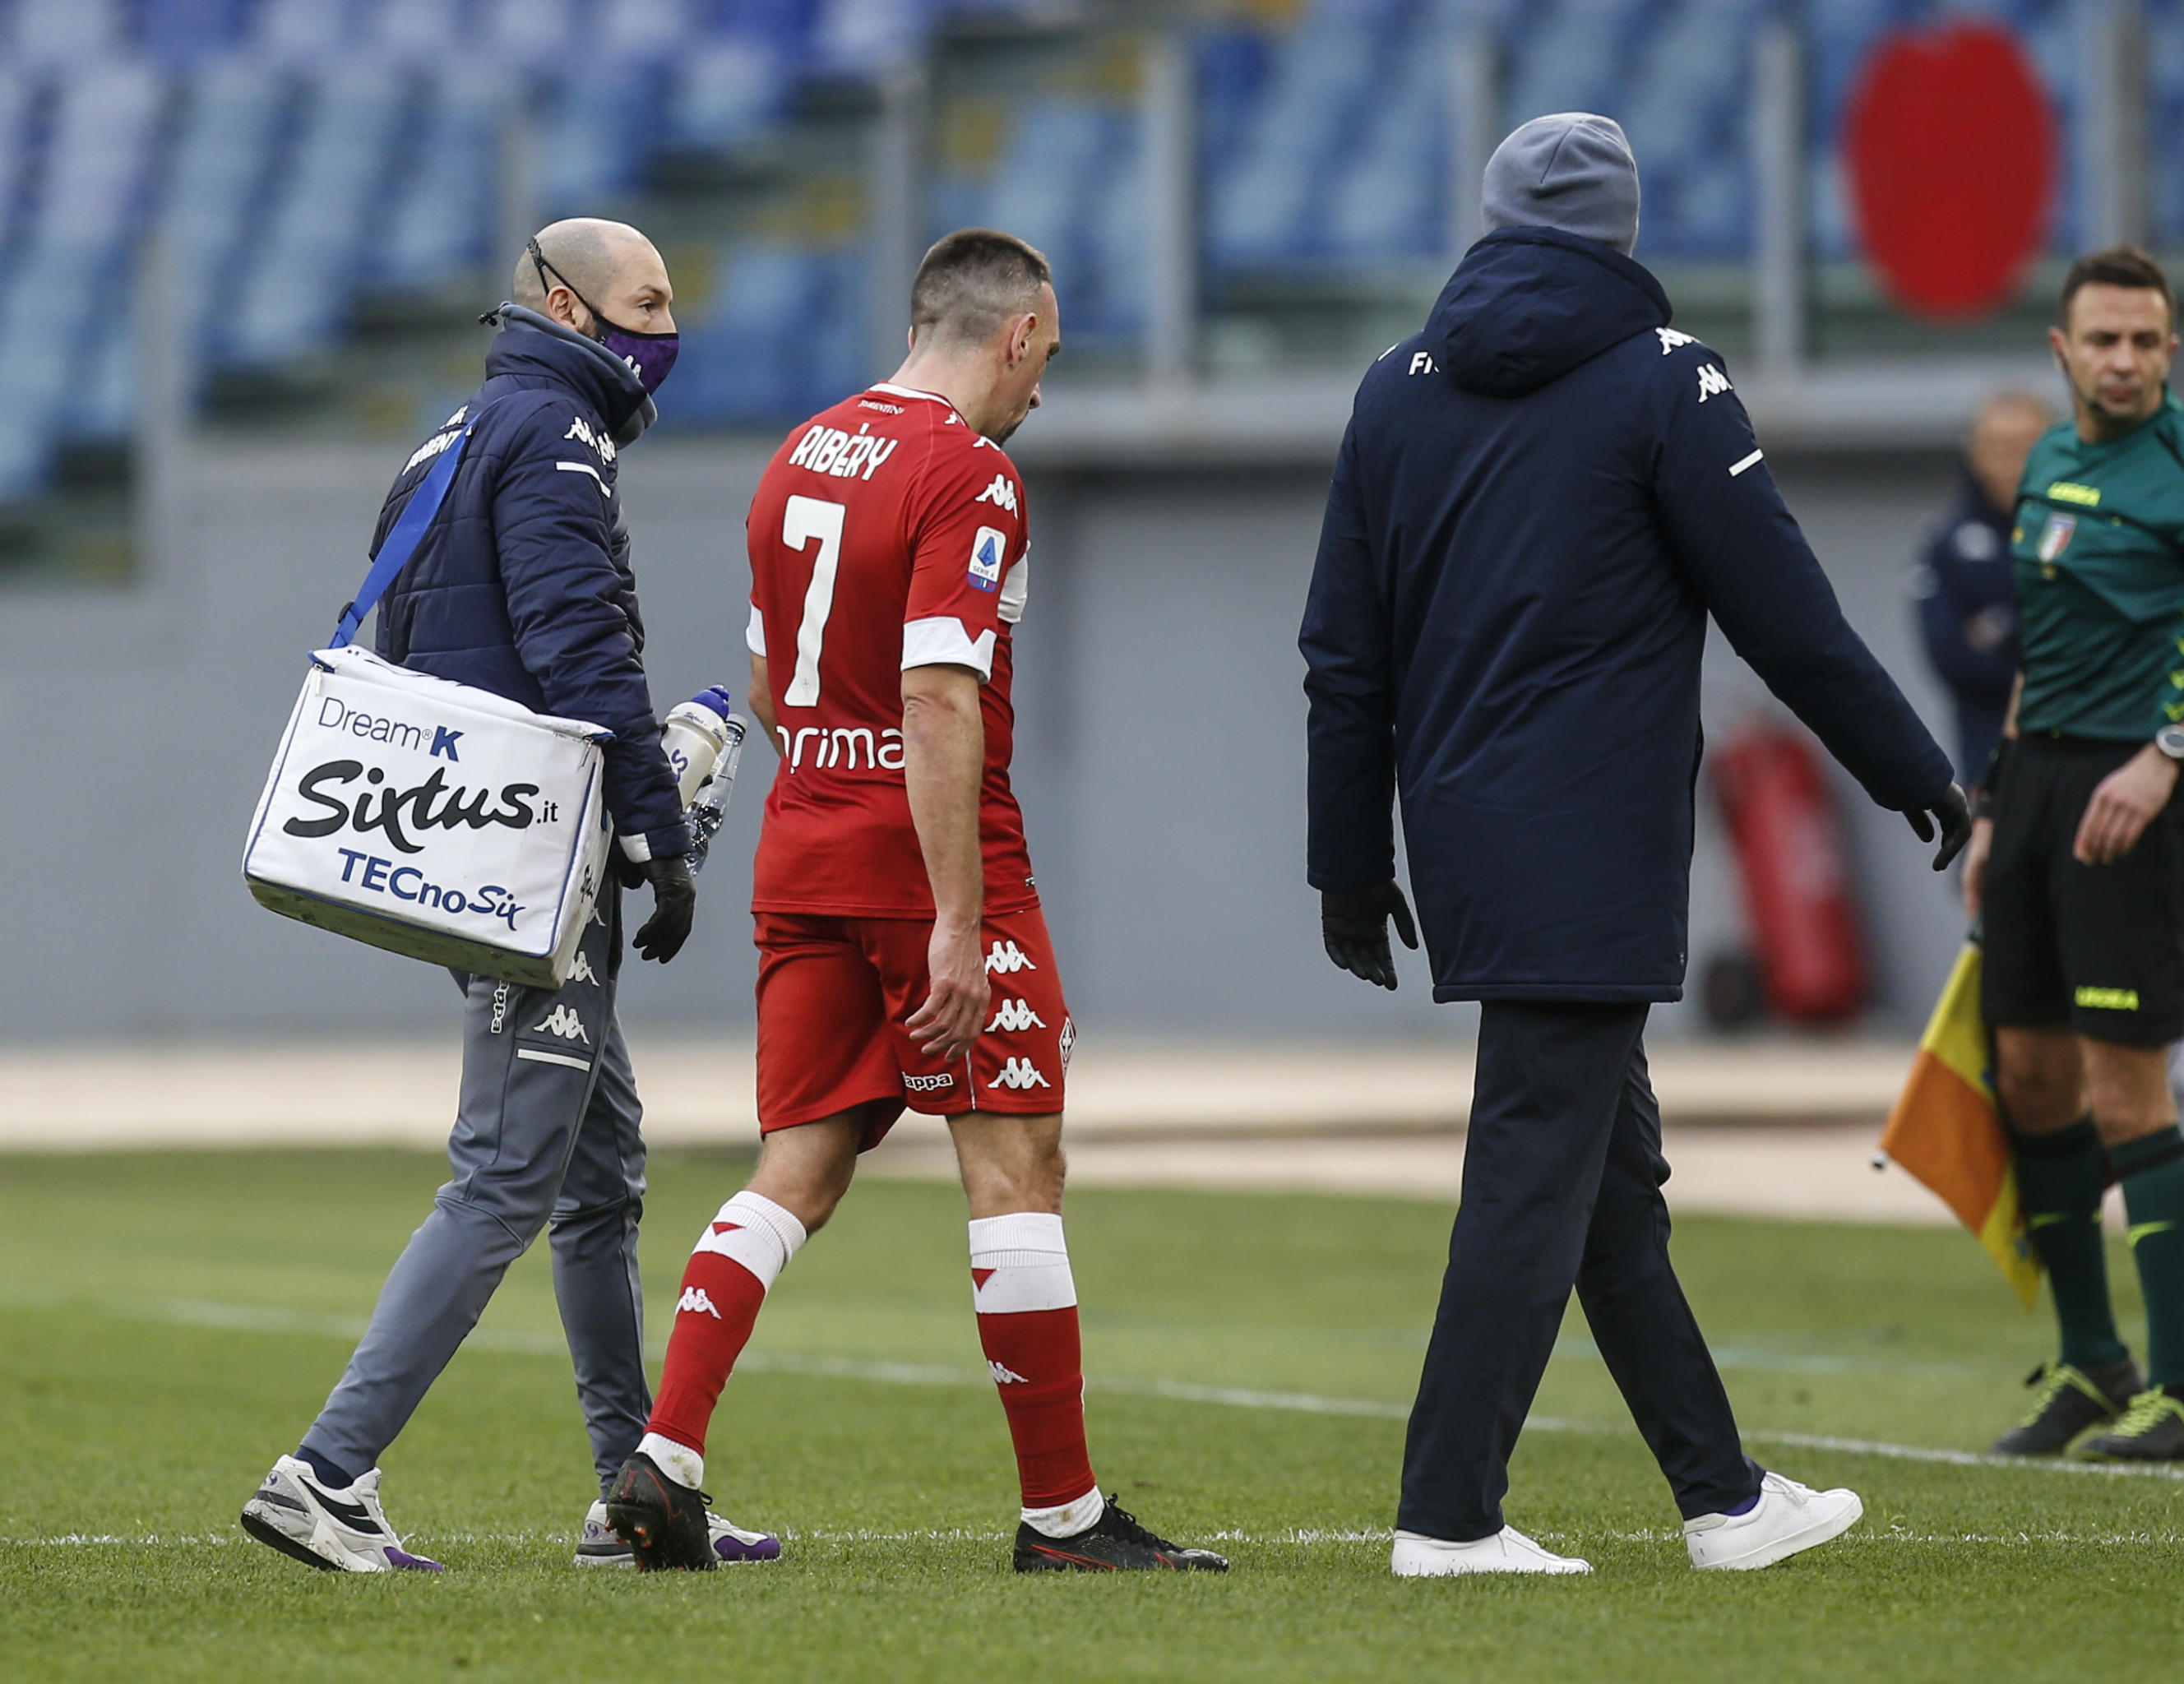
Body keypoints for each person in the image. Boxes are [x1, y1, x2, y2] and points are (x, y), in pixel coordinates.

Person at [1300, 113, 1968, 1579]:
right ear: (1622, 229)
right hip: (1592, 841)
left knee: (1604, 1179)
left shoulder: (1388, 391)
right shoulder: (1666, 379)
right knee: (1536, 1169)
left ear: (1486, 220)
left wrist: (1349, 860)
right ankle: (1448, 1514)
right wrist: (1912, 766)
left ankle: (1722, 1494)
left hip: (1466, 840)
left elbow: (1340, 658)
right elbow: (1781, 607)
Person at [601, 229, 1227, 1575]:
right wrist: (956, 915)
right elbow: (942, 696)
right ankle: (1061, 1516)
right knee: (1013, 1161)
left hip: (803, 846)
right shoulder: (971, 473)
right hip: (934, 860)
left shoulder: (797, 454)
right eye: (1045, 359)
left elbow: (773, 692)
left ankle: (664, 1454)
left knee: (801, 1161)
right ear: (1012, 337)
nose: (1042, 391)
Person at [240, 220, 777, 1574]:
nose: (667, 331)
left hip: (468, 848)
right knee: (505, 1174)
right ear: (563, 302)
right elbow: (577, 646)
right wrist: (656, 834)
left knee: (601, 1174)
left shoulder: (450, 438)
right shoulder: (557, 442)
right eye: (646, 303)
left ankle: (630, 1491)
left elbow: (426, 643)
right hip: (528, 864)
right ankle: (324, 1471)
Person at [1966, 248, 2184, 1463]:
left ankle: (2183, 1394)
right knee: (2029, 1077)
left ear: (2171, 351)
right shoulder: (2048, 462)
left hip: (2134, 798)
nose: (2123, 360)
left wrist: (2165, 756)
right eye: (2102, 340)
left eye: (2144, 342)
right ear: (2062, 352)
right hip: (2040, 790)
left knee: (2124, 1094)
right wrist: (1999, 805)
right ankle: (2095, 1364)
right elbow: (2039, 656)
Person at [1915, 391, 2050, 780]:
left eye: (2026, 448)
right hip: (1992, 764)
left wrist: (2001, 628)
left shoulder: (2086, 536)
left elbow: (2094, 649)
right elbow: (1949, 656)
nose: (2013, 464)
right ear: (1975, 454)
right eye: (2000, 448)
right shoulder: (1946, 543)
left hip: (2089, 763)